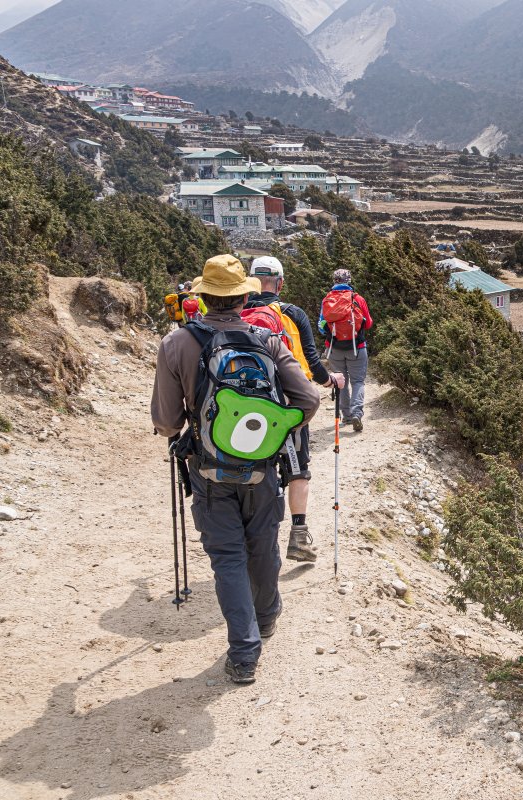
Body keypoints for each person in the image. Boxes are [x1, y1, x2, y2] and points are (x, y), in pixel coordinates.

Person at [151, 255, 321, 684]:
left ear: (203, 298)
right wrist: (274, 431)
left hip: (208, 471)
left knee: (228, 557)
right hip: (262, 469)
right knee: (262, 544)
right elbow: (308, 400)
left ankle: (244, 655)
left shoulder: (176, 344)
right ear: (245, 297)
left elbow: (167, 422)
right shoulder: (268, 341)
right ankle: (267, 615)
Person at [244, 256, 344, 563]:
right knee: (298, 470)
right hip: (288, 405)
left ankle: (251, 539)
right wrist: (331, 381)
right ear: (280, 283)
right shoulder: (292, 313)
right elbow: (311, 363)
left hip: (245, 407)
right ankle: (299, 536)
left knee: (252, 468)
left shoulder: (237, 312)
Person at [319, 268, 372, 432]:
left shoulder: (327, 300)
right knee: (358, 381)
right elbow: (368, 323)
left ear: (334, 281)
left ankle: (347, 416)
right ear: (349, 280)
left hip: (334, 348)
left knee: (341, 382)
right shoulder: (358, 299)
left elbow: (321, 327)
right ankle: (357, 413)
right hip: (357, 347)